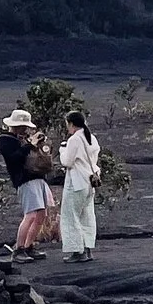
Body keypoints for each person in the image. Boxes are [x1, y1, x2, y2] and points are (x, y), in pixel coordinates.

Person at [0, 108, 56, 260]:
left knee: (42, 214)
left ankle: (28, 246)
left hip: (38, 178)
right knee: (30, 215)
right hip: (25, 180)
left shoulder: (23, 138)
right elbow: (13, 158)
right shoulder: (5, 140)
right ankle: (19, 249)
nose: (25, 129)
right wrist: (30, 145)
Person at [57, 109, 101, 262]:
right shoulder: (91, 138)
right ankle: (87, 249)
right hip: (90, 182)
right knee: (87, 216)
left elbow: (67, 162)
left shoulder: (74, 139)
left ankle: (77, 251)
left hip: (76, 183)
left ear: (71, 124)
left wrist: (62, 150)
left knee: (71, 217)